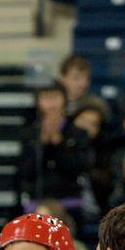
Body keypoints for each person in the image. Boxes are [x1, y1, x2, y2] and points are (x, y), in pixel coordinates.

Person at [17, 82, 93, 216]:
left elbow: (79, 167)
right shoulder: (29, 134)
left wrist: (59, 142)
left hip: (70, 199)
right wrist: (42, 144)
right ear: (38, 103)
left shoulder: (78, 133)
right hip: (37, 200)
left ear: (64, 100)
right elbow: (25, 171)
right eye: (46, 98)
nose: (51, 105)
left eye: (55, 98)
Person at [59, 53, 103, 118]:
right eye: (77, 78)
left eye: (87, 79)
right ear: (62, 80)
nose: (83, 84)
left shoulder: (97, 105)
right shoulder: (54, 105)